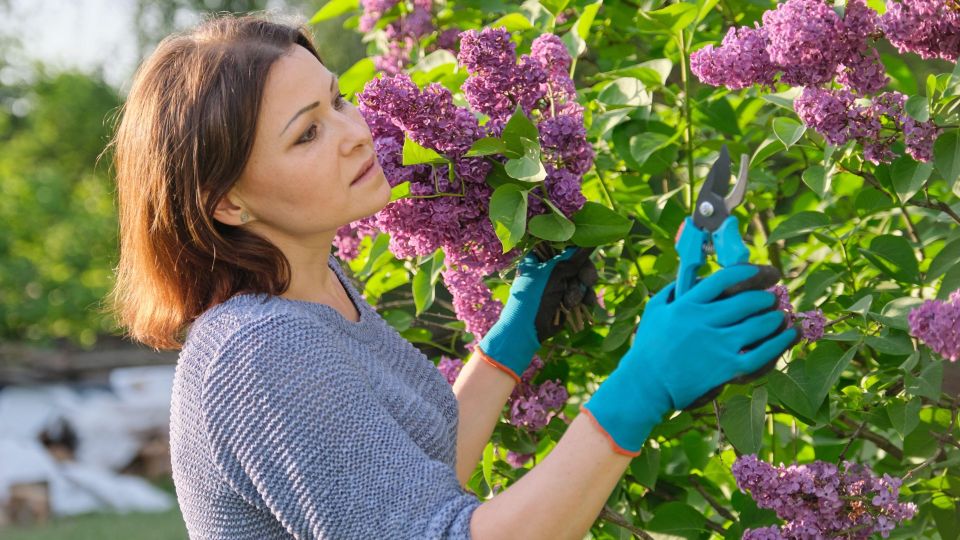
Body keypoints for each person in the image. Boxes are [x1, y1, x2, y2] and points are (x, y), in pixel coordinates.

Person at [106, 13, 799, 540]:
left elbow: (408, 483)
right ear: (229, 201)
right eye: (305, 133)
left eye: (338, 101)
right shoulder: (260, 352)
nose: (354, 132)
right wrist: (639, 389)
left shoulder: (315, 286)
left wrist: (505, 350)